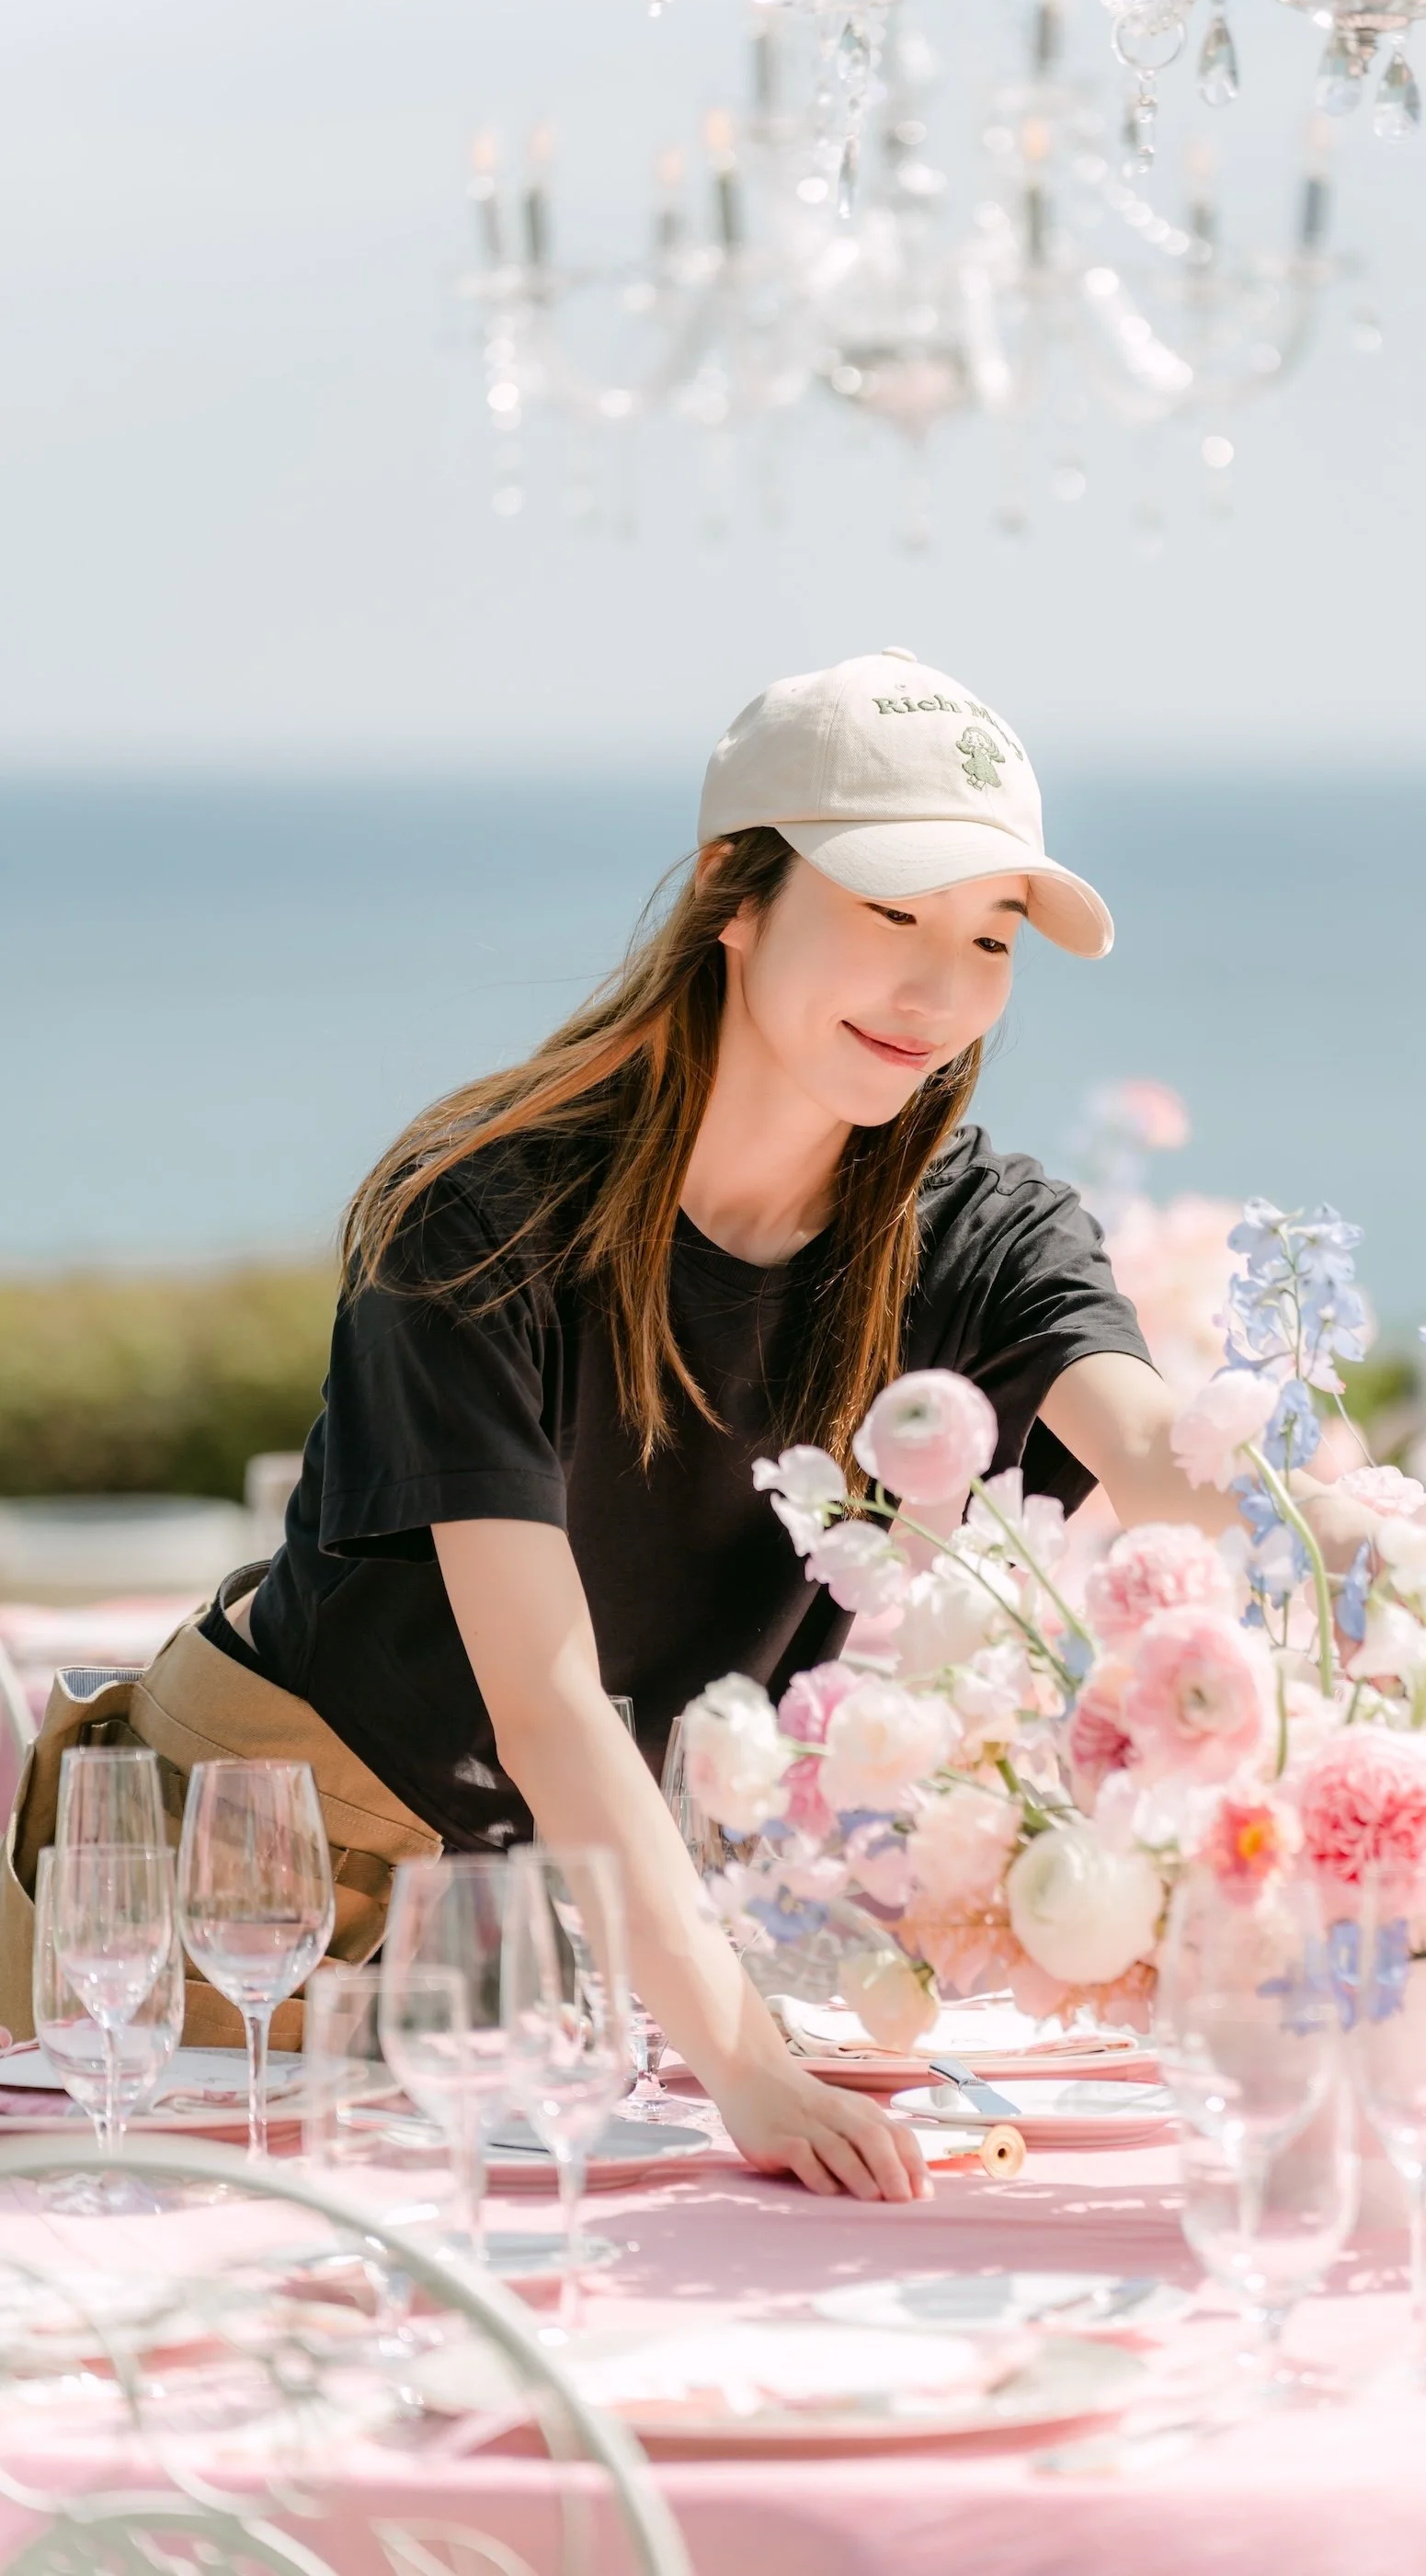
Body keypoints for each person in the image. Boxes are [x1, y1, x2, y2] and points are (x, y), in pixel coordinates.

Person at [200, 649, 1233, 2198]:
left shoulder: (981, 1232)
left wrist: (1384, 1540)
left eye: (990, 936)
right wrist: (747, 2063)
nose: (939, 990)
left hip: (587, 1951)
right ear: (730, 896)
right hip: (290, 1903)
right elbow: (549, 1708)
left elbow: (1161, 1457)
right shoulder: (481, 1221)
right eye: (891, 913)